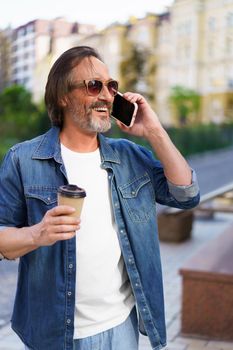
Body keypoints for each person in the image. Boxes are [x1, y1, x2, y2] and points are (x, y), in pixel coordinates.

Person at [0, 46, 200, 350]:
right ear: (63, 96)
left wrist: (155, 131)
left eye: (112, 86)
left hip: (120, 327)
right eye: (94, 86)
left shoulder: (130, 157)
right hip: (51, 335)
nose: (107, 95)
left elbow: (186, 195)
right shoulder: (23, 159)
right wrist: (37, 233)